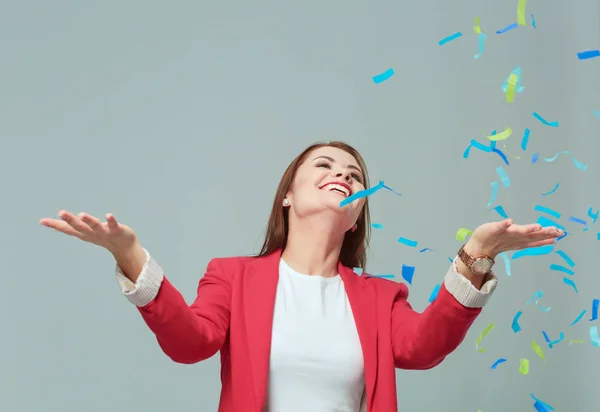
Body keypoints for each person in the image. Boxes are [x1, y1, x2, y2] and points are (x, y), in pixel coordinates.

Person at [40, 141, 563, 412]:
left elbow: (423, 347)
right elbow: (189, 343)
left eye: (354, 175)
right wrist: (131, 254)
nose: (342, 174)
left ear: (357, 212)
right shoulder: (232, 278)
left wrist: (478, 251)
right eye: (325, 165)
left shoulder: (381, 297)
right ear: (287, 194)